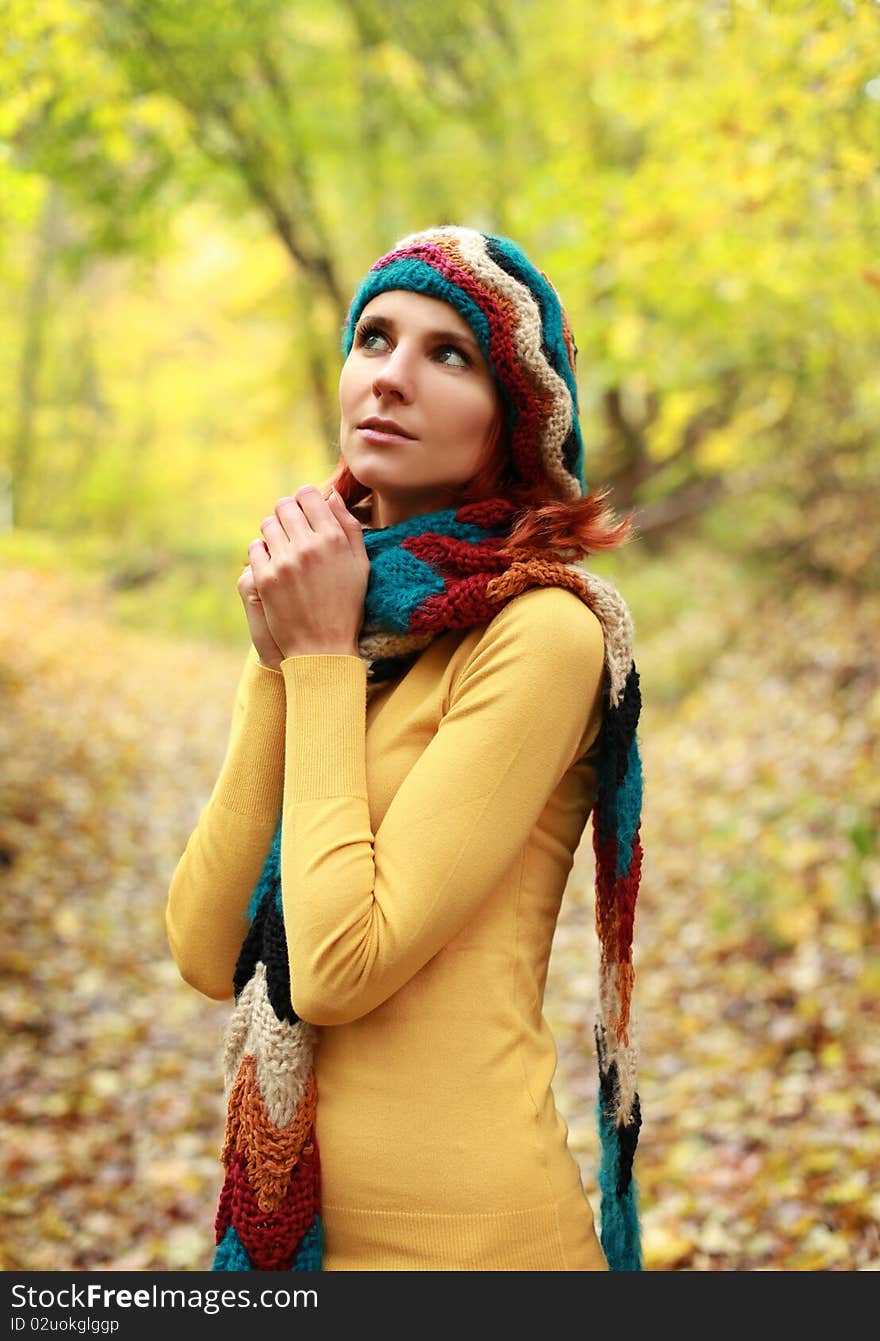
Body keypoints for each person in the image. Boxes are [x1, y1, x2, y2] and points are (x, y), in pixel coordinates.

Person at [165, 225, 644, 1273]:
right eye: (374, 337)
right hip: (302, 1247)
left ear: (513, 421)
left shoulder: (543, 633)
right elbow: (208, 950)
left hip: (474, 1249)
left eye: (448, 353)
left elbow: (336, 971)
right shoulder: (346, 624)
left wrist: (319, 657)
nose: (391, 377)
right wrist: (284, 659)